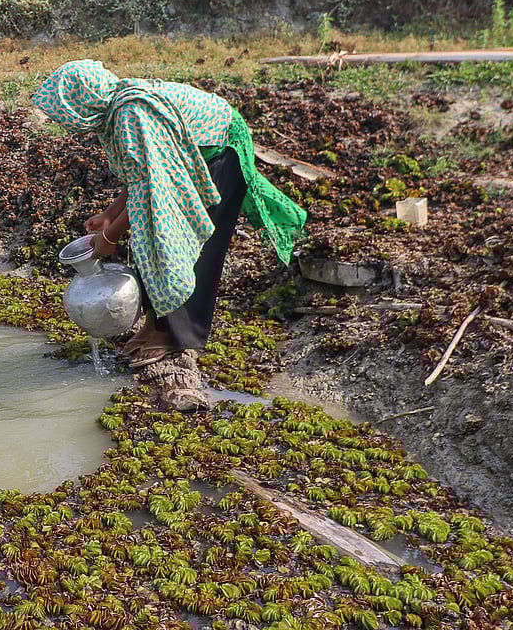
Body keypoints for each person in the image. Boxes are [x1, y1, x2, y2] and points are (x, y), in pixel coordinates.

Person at [32, 59, 307, 411]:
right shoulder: (116, 108)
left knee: (186, 245)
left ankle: (173, 338)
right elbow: (143, 173)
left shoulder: (132, 114)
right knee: (152, 236)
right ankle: (155, 326)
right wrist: (110, 215)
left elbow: (153, 186)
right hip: (192, 156)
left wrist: (110, 238)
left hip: (219, 153)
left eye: (63, 113)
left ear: (80, 101)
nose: (64, 123)